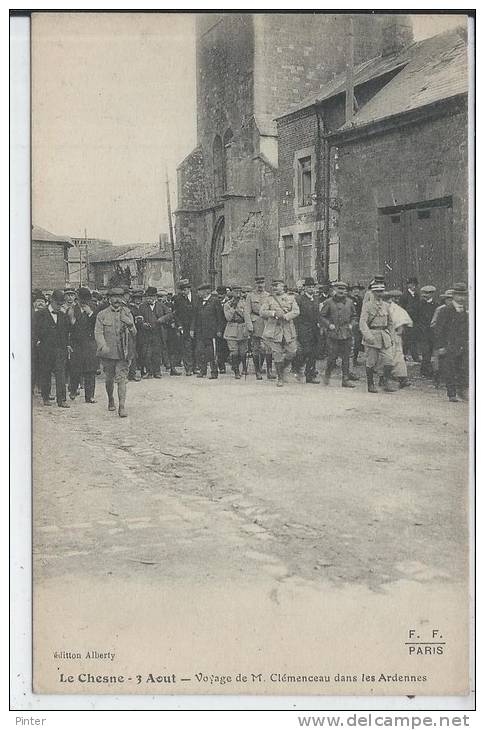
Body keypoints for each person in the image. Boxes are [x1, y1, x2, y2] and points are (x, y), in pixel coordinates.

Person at [95, 287, 137, 417]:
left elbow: (135, 333)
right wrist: (102, 345)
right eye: (114, 297)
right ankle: (111, 399)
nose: (117, 300)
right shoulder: (102, 314)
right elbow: (98, 332)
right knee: (109, 379)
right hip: (108, 353)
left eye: (120, 297)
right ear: (109, 299)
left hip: (123, 353)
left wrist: (130, 324)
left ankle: (122, 406)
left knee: (122, 380)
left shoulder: (128, 313)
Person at [33, 288, 71, 407]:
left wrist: (67, 345)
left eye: (61, 304)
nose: (59, 306)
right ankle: (45, 397)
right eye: (58, 304)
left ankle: (62, 400)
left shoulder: (63, 315)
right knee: (45, 373)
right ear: (51, 301)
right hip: (45, 349)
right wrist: (37, 342)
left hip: (60, 349)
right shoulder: (40, 314)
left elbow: (66, 332)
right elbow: (33, 330)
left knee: (61, 374)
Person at [260, 278, 300, 387]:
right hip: (274, 330)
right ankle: (280, 378)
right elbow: (262, 312)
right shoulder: (269, 299)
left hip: (287, 330)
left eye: (277, 285)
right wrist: (273, 313)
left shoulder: (291, 298)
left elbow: (296, 311)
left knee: (292, 352)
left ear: (283, 286)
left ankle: (282, 369)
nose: (274, 287)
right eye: (273, 286)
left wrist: (286, 316)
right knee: (277, 354)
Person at [359, 280, 396, 393]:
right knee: (371, 361)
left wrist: (392, 336)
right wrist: (368, 335)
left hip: (384, 336)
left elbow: (390, 322)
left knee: (389, 360)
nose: (380, 294)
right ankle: (370, 384)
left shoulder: (386, 306)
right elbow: (362, 322)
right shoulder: (367, 306)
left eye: (382, 291)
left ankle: (384, 381)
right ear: (373, 293)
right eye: (377, 291)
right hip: (373, 335)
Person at [320, 281, 358, 388]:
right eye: (339, 289)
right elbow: (322, 316)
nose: (341, 291)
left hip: (346, 333)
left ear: (346, 291)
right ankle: (327, 376)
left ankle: (345, 380)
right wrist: (329, 325)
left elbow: (355, 316)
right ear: (335, 290)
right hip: (333, 334)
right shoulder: (328, 302)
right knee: (332, 357)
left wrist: (351, 324)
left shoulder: (350, 302)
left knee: (346, 358)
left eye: (343, 289)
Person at [434, 283, 469, 402]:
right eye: (458, 295)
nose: (461, 298)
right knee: (450, 369)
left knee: (462, 368)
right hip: (449, 345)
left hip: (462, 344)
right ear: (453, 295)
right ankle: (452, 393)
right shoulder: (446, 310)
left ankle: (462, 390)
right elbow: (439, 329)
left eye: (463, 295)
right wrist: (440, 346)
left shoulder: (465, 311)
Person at [244, 276, 276, 380]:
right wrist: (249, 325)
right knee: (256, 349)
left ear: (265, 284)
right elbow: (247, 312)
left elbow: (273, 310)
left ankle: (269, 371)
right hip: (256, 324)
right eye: (258, 283)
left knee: (269, 349)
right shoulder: (250, 296)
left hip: (267, 324)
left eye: (262, 283)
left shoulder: (269, 296)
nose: (260, 285)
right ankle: (258, 371)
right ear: (255, 284)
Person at [191, 283, 225, 379]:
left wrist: (219, 330)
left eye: (200, 291)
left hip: (211, 333)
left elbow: (220, 318)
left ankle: (214, 372)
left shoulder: (215, 301)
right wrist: (192, 329)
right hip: (200, 332)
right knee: (200, 351)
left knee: (212, 353)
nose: (198, 293)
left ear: (206, 291)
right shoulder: (199, 302)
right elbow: (195, 317)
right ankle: (202, 371)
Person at [70, 288, 98, 403]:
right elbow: (71, 327)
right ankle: (73, 390)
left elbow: (97, 325)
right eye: (83, 300)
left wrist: (90, 313)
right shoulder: (73, 309)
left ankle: (89, 396)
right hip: (77, 344)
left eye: (87, 300)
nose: (85, 302)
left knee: (90, 371)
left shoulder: (93, 309)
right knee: (75, 369)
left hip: (90, 344)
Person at [294, 277, 321, 384]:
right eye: (309, 287)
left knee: (314, 352)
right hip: (303, 329)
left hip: (315, 329)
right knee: (306, 351)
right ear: (304, 288)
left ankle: (310, 374)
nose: (311, 289)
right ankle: (297, 368)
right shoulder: (299, 299)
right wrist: (297, 331)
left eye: (312, 287)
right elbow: (296, 317)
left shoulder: (316, 299)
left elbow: (318, 314)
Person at [385, 290, 412, 388]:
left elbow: (402, 321)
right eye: (393, 298)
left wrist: (400, 330)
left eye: (397, 298)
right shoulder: (385, 307)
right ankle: (384, 378)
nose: (395, 300)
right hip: (385, 334)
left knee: (398, 356)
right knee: (385, 357)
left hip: (395, 335)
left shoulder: (397, 309)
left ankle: (402, 378)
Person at [138, 286, 164, 378]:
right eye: (147, 297)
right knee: (147, 353)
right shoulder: (142, 306)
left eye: (151, 297)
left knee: (157, 352)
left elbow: (170, 314)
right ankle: (149, 372)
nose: (149, 299)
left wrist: (162, 319)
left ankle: (157, 371)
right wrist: (143, 324)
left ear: (155, 297)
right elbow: (138, 318)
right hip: (146, 333)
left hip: (157, 333)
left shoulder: (161, 306)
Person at [223, 285, 248, 379]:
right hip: (231, 329)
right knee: (234, 352)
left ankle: (244, 368)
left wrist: (239, 308)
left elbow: (246, 315)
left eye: (239, 291)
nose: (237, 294)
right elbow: (228, 317)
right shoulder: (227, 304)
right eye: (235, 291)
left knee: (243, 351)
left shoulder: (245, 303)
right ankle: (236, 371)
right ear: (232, 293)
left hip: (242, 328)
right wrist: (233, 307)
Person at [173, 278, 196, 376]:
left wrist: (193, 328)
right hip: (184, 327)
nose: (183, 292)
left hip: (196, 326)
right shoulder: (178, 299)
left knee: (196, 347)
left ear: (188, 289)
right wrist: (180, 326)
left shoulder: (196, 297)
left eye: (184, 289)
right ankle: (188, 368)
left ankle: (195, 367)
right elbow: (176, 314)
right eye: (181, 290)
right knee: (187, 348)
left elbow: (197, 313)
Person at [416, 285, 438, 378]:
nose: (426, 295)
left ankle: (426, 370)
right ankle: (426, 371)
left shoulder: (436, 305)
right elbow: (416, 317)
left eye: (429, 293)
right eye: (425, 293)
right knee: (426, 352)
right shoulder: (419, 305)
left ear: (432, 294)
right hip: (423, 332)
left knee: (431, 350)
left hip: (432, 332)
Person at [399, 277, 420, 361]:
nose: (413, 286)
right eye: (411, 284)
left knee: (412, 338)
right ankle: (404, 356)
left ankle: (414, 356)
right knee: (406, 339)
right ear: (408, 285)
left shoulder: (417, 295)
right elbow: (401, 309)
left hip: (415, 320)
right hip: (407, 320)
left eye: (415, 285)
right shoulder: (404, 296)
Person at [215, 286, 230, 373]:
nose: (220, 296)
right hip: (218, 328)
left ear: (225, 294)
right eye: (218, 294)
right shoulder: (215, 302)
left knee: (227, 347)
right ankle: (221, 366)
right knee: (220, 347)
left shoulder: (228, 302)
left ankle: (226, 360)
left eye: (222, 294)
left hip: (228, 327)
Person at [350, 283, 365, 367]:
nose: (356, 291)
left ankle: (355, 359)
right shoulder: (349, 299)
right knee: (354, 341)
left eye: (357, 289)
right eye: (354, 289)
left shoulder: (360, 299)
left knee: (358, 341)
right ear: (351, 291)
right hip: (352, 321)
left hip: (359, 321)